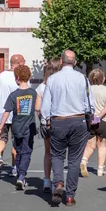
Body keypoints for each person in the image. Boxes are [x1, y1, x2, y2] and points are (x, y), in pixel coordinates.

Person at [41, 50, 95, 207]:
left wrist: (45, 121)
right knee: (74, 160)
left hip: (58, 120)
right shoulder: (82, 79)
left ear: (61, 61)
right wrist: (90, 118)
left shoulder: (52, 79)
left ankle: (58, 182)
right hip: (78, 120)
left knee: (57, 155)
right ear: (75, 62)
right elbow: (89, 103)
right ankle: (70, 195)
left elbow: (46, 104)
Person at [0, 65, 37, 190]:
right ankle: (21, 176)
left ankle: (19, 174)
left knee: (18, 152)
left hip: (16, 127)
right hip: (29, 128)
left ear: (17, 78)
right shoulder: (33, 93)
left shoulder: (13, 95)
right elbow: (39, 109)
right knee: (27, 152)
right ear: (29, 77)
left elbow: (6, 113)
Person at [0, 54, 25, 176]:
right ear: (20, 63)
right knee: (16, 140)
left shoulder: (0, 76)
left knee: (1, 137)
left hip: (2, 113)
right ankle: (14, 166)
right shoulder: (22, 76)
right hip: (17, 114)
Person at [34, 57, 62, 193]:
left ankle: (46, 179)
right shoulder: (60, 84)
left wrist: (43, 119)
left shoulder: (41, 86)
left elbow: (37, 107)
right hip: (59, 122)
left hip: (45, 123)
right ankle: (58, 181)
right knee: (59, 153)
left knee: (48, 152)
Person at [80, 68, 106, 178]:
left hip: (90, 119)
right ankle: (100, 169)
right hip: (103, 120)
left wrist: (92, 117)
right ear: (103, 79)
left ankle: (84, 161)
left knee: (90, 144)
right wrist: (99, 116)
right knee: (102, 144)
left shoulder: (87, 90)